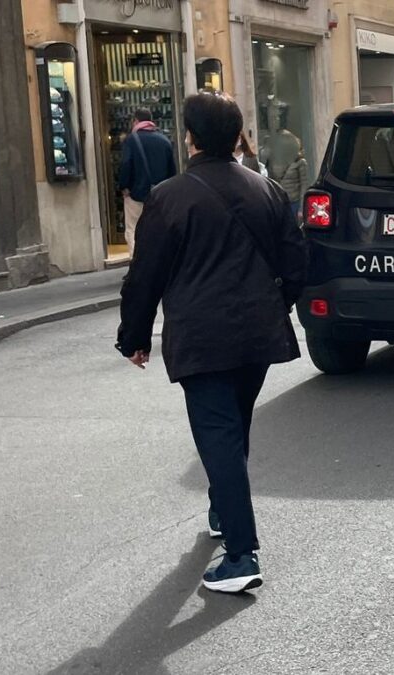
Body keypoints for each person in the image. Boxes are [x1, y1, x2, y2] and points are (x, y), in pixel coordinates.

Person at [116, 93, 307, 594]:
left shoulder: (169, 197)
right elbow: (298, 265)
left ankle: (241, 554)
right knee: (233, 427)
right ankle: (224, 511)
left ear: (190, 137)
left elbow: (144, 277)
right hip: (256, 336)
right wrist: (274, 306)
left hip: (203, 337)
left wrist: (133, 337)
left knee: (218, 435)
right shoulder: (266, 190)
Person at [117, 108, 177, 257]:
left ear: (136, 121)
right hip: (160, 196)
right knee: (158, 229)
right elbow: (172, 170)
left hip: (136, 194)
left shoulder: (131, 140)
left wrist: (124, 186)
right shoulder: (164, 141)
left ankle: (137, 265)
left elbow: (126, 164)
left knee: (133, 229)